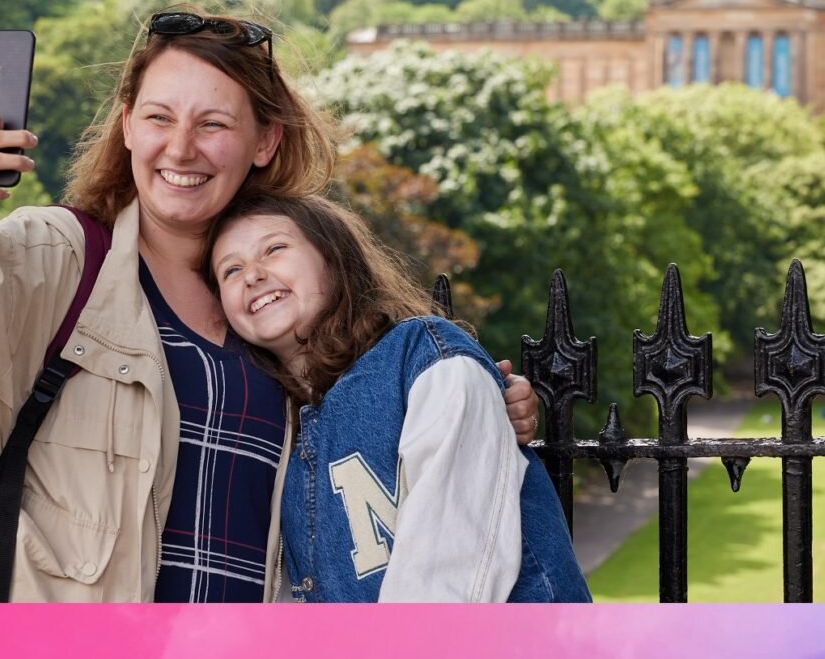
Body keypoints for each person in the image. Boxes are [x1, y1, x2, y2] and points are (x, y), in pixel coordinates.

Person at [0, 8, 540, 602]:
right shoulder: (57, 258)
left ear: (265, 141)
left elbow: (387, 424)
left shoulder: (289, 300)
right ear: (128, 125)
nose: (182, 148)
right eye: (160, 117)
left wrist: (477, 395)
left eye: (215, 124)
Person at [207, 191, 591, 603]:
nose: (252, 275)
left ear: (334, 258)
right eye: (230, 271)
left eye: (275, 248)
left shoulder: (423, 358)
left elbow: (451, 570)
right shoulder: (278, 430)